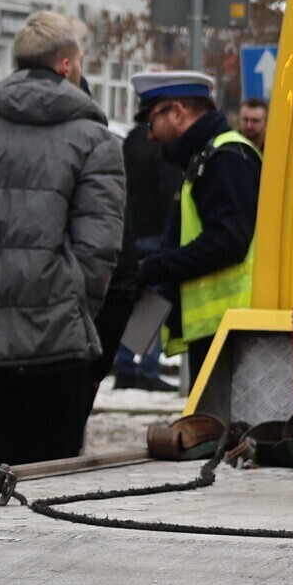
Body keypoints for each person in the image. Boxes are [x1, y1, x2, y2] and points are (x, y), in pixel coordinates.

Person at [0, 11, 125, 468]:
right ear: (68, 67)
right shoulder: (95, 140)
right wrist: (71, 308)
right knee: (49, 485)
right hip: (56, 345)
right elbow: (101, 247)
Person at [132, 71, 262, 385]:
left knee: (216, 430)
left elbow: (228, 241)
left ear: (177, 112)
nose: (150, 135)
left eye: (152, 123)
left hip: (234, 335)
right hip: (221, 332)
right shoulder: (206, 158)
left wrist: (155, 268)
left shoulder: (225, 158)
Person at [111, 115, 183, 392]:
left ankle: (126, 365)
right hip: (158, 231)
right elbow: (169, 188)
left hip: (132, 229)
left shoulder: (130, 140)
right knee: (158, 303)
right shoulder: (163, 146)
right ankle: (149, 368)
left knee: (133, 301)